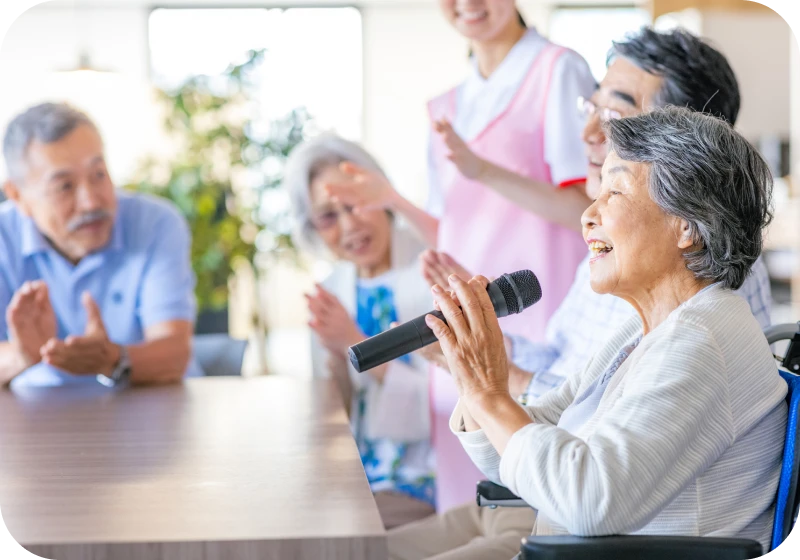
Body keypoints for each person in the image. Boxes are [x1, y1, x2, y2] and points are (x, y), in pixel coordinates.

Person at [388, 27, 773, 560]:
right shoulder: (645, 327)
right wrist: (475, 375)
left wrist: (491, 391)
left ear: (686, 225)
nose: (589, 213)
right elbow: (526, 441)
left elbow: (591, 501)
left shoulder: (703, 336)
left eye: (614, 190)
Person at [326, 0, 595, 517]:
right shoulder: (446, 105)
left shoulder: (557, 70)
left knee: (534, 501)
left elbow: (587, 210)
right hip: (463, 328)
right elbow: (455, 229)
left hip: (539, 325)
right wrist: (393, 200)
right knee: (468, 507)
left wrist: (482, 170)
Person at [284, 134, 435, 529]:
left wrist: (353, 343)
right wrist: (333, 357)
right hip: (355, 481)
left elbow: (448, 401)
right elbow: (336, 419)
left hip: (424, 478)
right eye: (328, 216)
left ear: (382, 198)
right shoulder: (334, 291)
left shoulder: (433, 268)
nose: (350, 224)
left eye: (356, 204)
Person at [0, 102, 200, 389]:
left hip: (151, 411)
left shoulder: (155, 223)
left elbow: (174, 354)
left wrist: (113, 358)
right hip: (37, 419)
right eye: (64, 186)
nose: (92, 201)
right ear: (17, 195)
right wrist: (21, 355)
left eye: (99, 175)